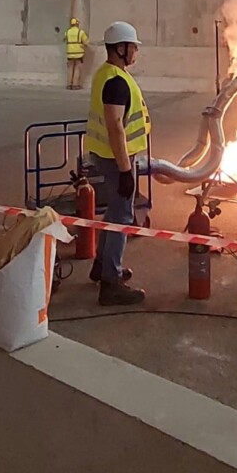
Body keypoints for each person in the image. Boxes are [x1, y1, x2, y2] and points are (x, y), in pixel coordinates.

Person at [83, 20, 149, 306]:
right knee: (122, 217)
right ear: (121, 48)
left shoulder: (107, 74)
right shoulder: (116, 82)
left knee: (114, 211)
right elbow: (115, 127)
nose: (135, 51)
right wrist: (125, 171)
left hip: (106, 154)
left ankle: (102, 266)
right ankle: (111, 282)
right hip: (115, 158)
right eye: (133, 47)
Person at [64, 16, 88, 90]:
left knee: (70, 68)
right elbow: (86, 42)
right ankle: (75, 84)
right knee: (77, 68)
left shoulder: (67, 32)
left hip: (70, 53)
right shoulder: (81, 32)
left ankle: (69, 84)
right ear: (77, 24)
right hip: (79, 53)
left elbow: (65, 40)